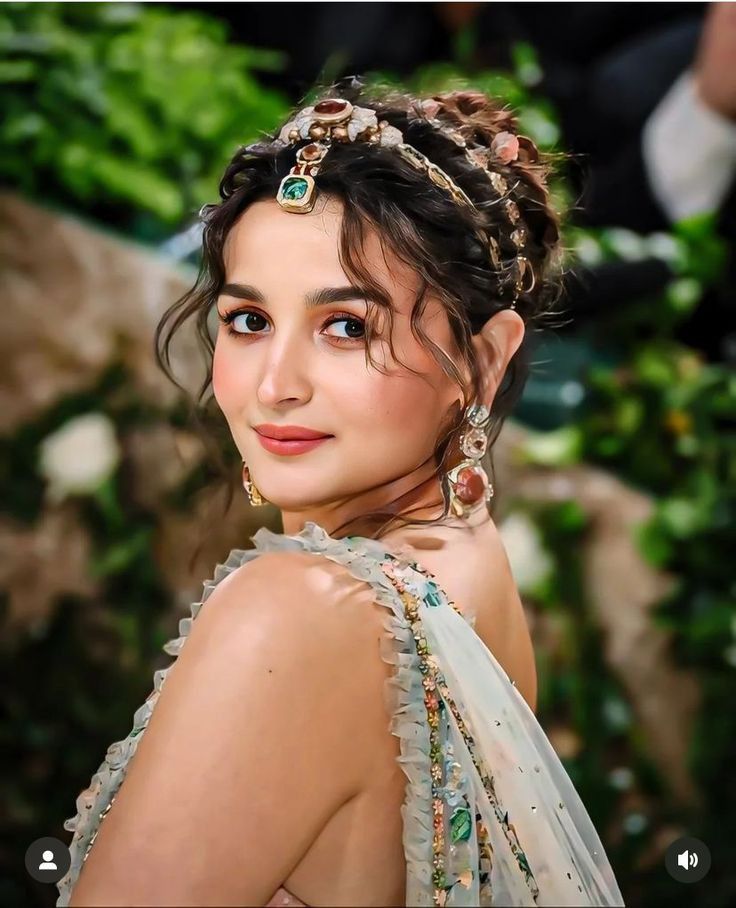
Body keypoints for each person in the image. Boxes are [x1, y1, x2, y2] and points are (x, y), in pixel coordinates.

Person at [56, 77, 624, 907]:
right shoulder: (467, 563)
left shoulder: (307, 608)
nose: (275, 385)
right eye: (249, 320)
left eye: (347, 326)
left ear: (485, 359)